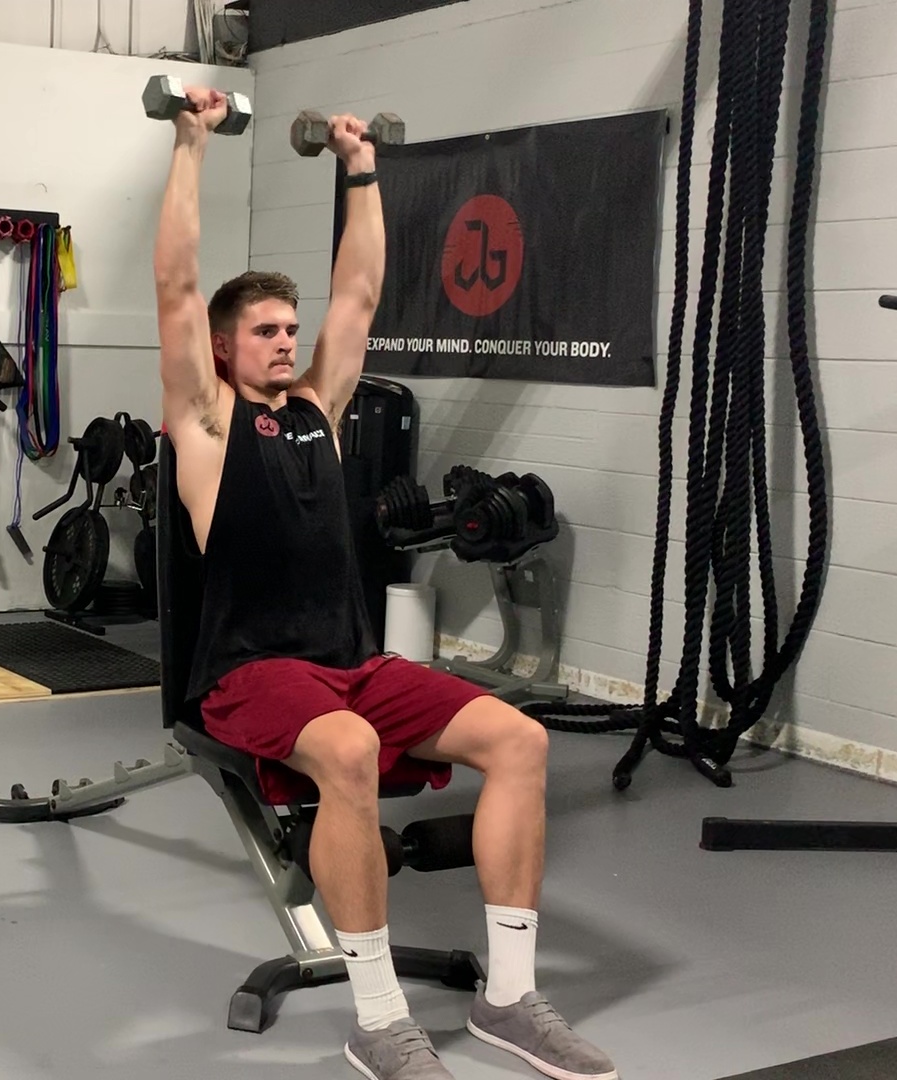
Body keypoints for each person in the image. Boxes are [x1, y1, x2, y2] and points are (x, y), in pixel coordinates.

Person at [152, 86, 618, 1080]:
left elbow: (360, 293)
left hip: (353, 664)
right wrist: (192, 142)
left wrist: (362, 167)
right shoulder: (206, 424)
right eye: (266, 331)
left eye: (290, 327)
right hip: (250, 671)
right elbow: (177, 289)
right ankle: (377, 1018)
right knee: (353, 752)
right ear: (227, 350)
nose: (287, 339)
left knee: (521, 740)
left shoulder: (320, 409)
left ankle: (509, 1000)